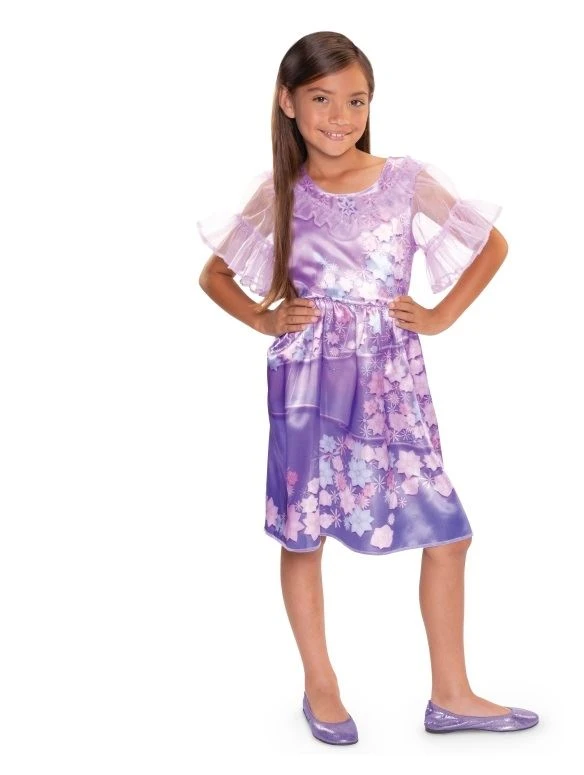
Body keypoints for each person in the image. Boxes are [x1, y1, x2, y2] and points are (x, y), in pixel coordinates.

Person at [197, 31, 539, 744]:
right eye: (321, 99)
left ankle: (451, 692)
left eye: (355, 101)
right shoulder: (281, 191)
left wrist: (440, 315)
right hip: (309, 378)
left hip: (390, 381)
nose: (339, 117)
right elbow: (215, 275)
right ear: (288, 102)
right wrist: (264, 318)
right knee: (304, 534)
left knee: (448, 533)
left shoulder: (405, 179)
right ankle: (319, 684)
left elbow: (491, 244)